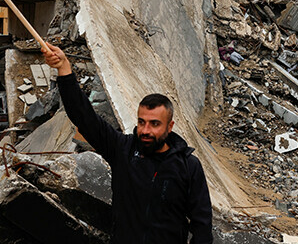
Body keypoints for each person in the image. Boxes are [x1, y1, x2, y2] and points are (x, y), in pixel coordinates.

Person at [42, 43, 213, 244]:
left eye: (155, 124)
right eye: (142, 122)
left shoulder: (188, 166)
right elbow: (84, 117)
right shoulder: (122, 150)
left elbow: (202, 226)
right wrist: (64, 69)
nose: (146, 130)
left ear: (170, 126)